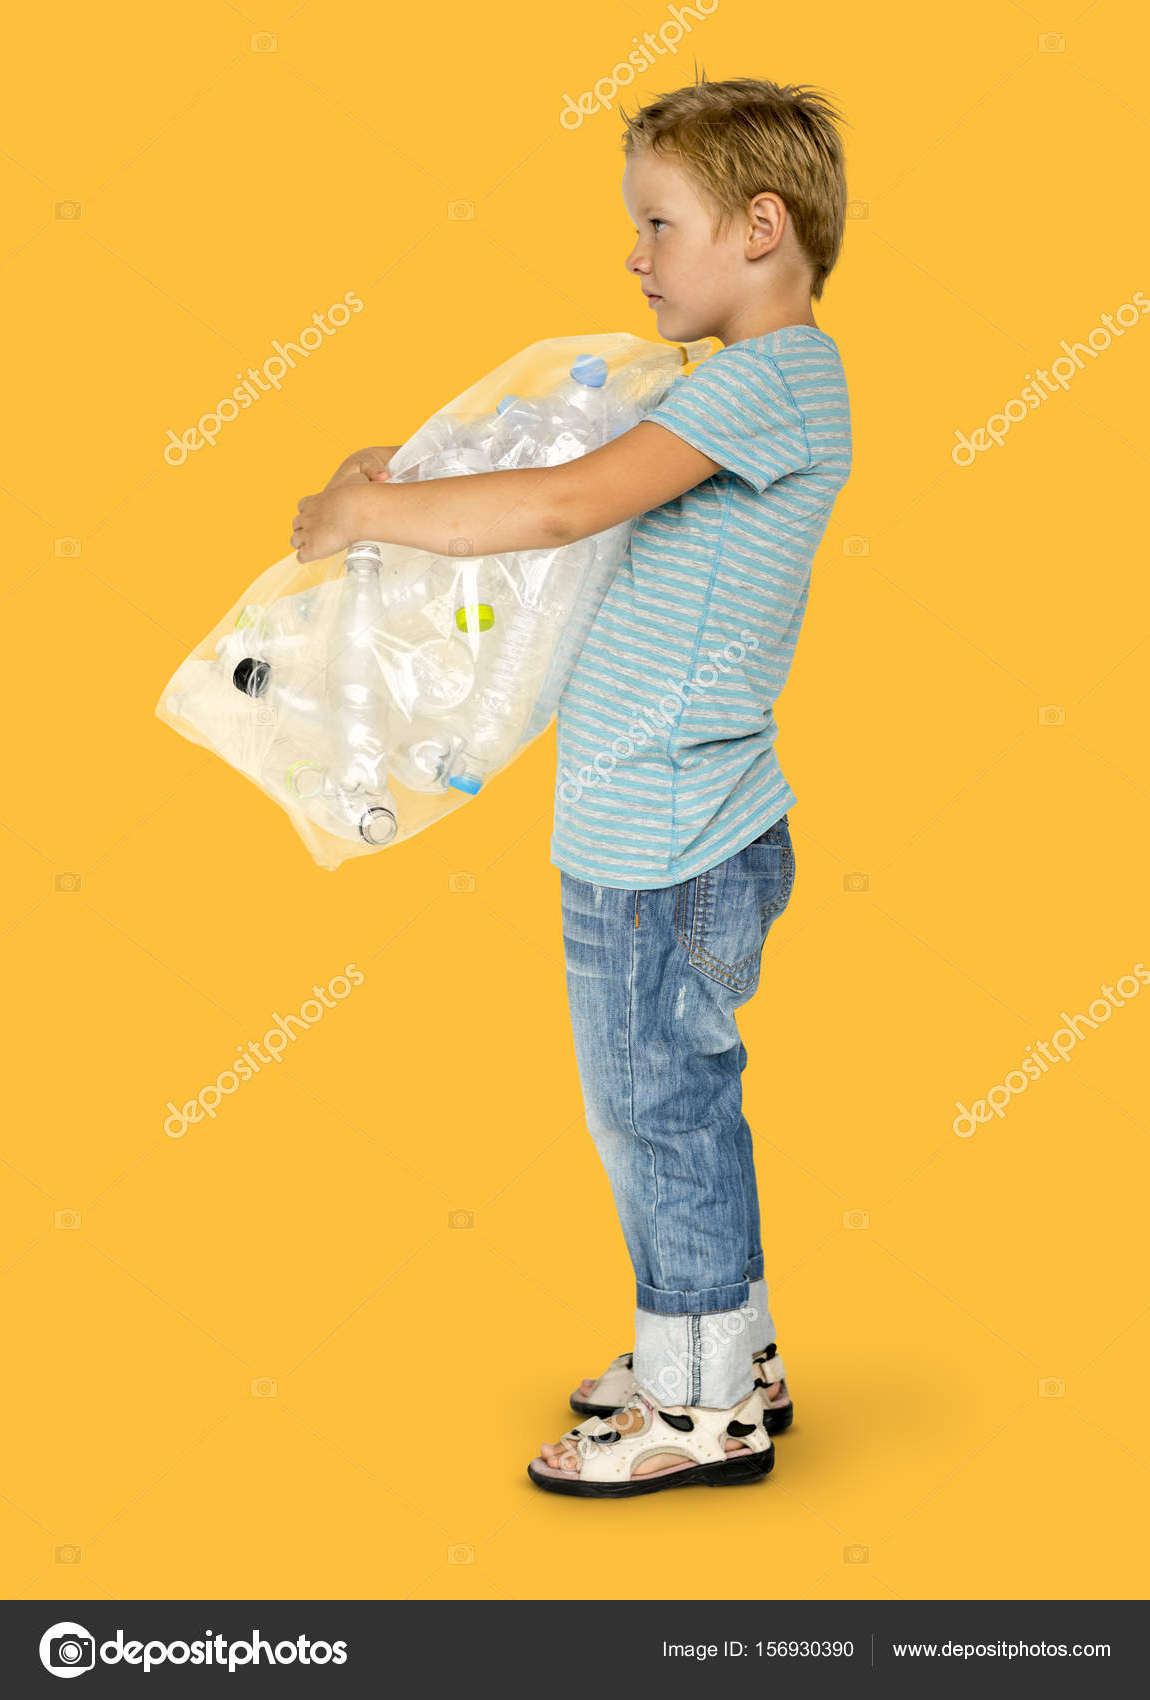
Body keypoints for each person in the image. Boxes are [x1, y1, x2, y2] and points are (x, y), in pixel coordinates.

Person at [292, 74, 852, 1500]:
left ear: (760, 227)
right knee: (670, 1107)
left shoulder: (771, 382)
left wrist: (366, 514)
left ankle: (697, 1404)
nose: (636, 253)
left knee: (657, 1114)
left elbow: (560, 508)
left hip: (665, 841)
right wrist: (408, 477)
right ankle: (733, 1346)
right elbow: (548, 477)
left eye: (659, 222)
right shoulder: (737, 386)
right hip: (663, 824)